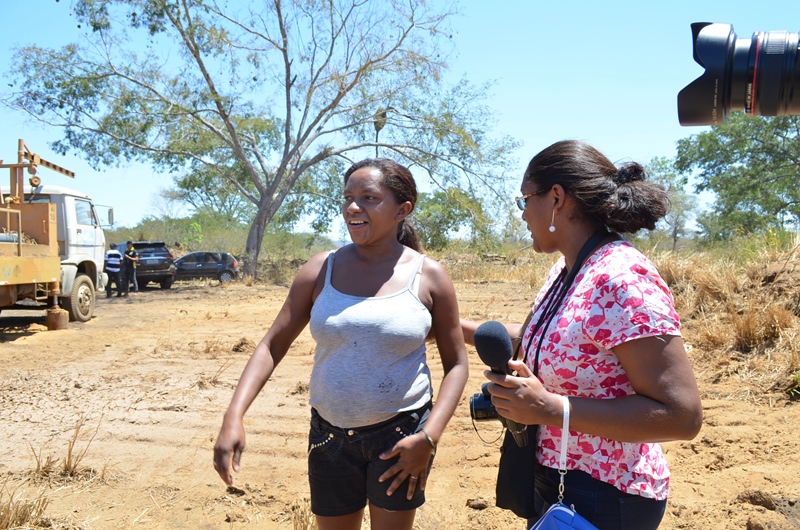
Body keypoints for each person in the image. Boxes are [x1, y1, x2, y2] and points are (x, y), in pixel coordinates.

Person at [213, 158, 468, 530]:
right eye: (348, 197)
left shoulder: (429, 276)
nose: (352, 207)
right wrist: (233, 415)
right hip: (329, 436)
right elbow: (272, 345)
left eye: (368, 197)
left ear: (403, 210)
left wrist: (428, 437)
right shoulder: (320, 269)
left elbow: (457, 364)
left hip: (401, 437)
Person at [461, 140, 703, 530]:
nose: (522, 215)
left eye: (525, 199)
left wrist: (551, 409)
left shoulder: (621, 279)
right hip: (558, 484)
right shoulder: (567, 272)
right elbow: (540, 338)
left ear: (556, 198)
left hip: (608, 495)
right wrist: (447, 328)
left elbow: (682, 416)